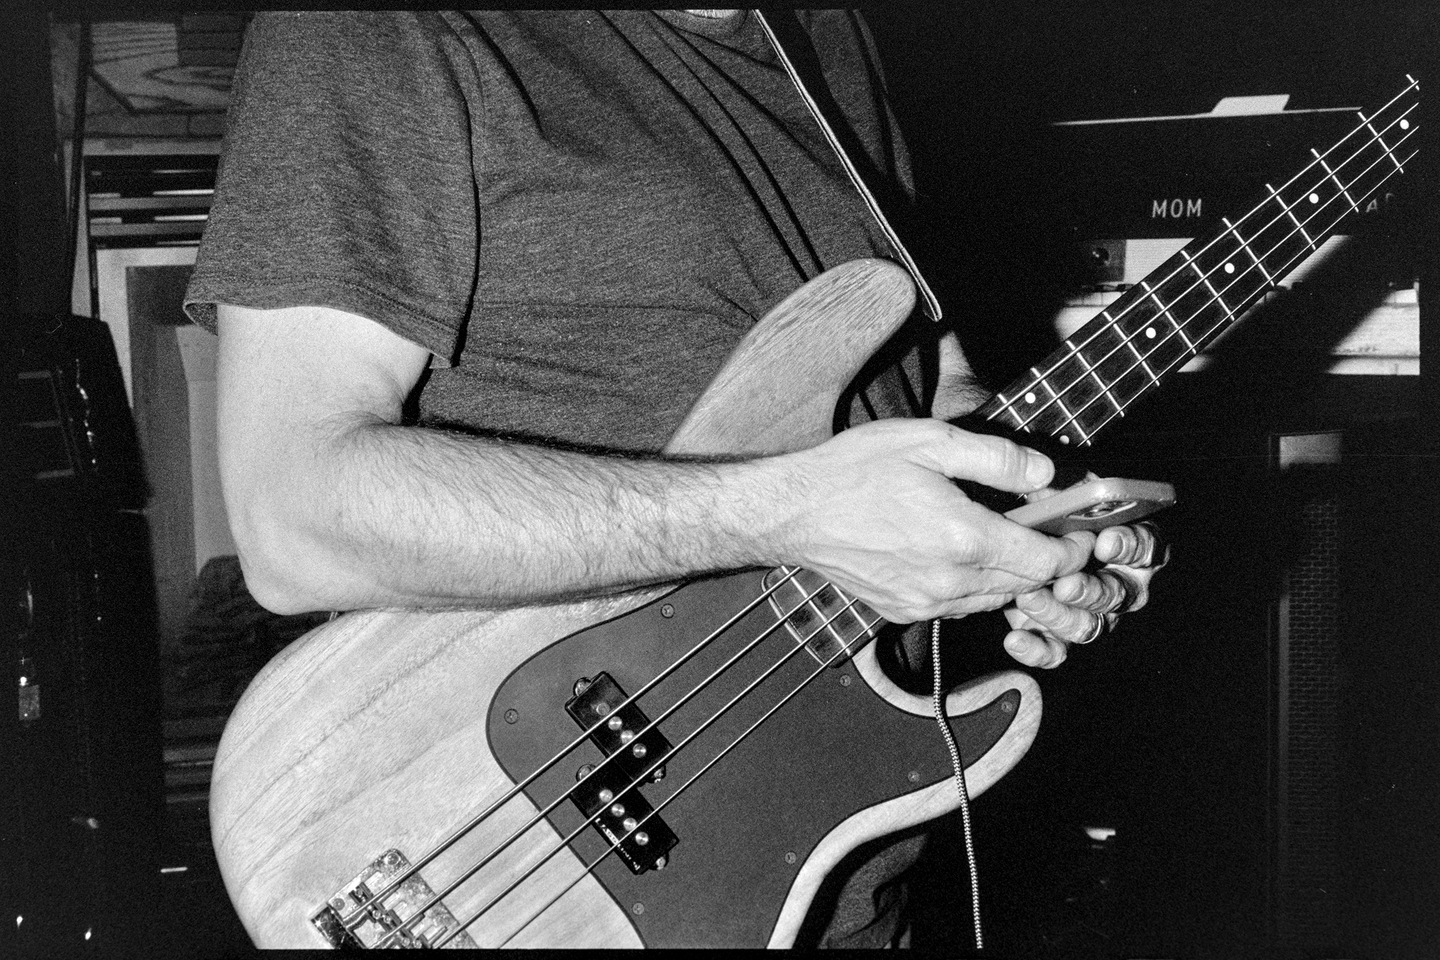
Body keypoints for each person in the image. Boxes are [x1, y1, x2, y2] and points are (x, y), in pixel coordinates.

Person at [185, 10, 1165, 947]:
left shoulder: (827, 40)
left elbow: (923, 383)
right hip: (496, 863)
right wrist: (787, 512)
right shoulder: (375, 31)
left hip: (826, 896)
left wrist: (1021, 506)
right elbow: (293, 516)